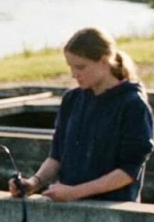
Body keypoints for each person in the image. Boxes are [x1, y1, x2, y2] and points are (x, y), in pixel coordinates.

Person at [10, 27, 152, 203]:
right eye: (70, 67)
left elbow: (129, 171)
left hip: (114, 216)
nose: (73, 74)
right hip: (69, 209)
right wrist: (33, 183)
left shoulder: (133, 104)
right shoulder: (72, 99)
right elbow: (57, 156)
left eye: (80, 67)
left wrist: (75, 192)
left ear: (104, 62)